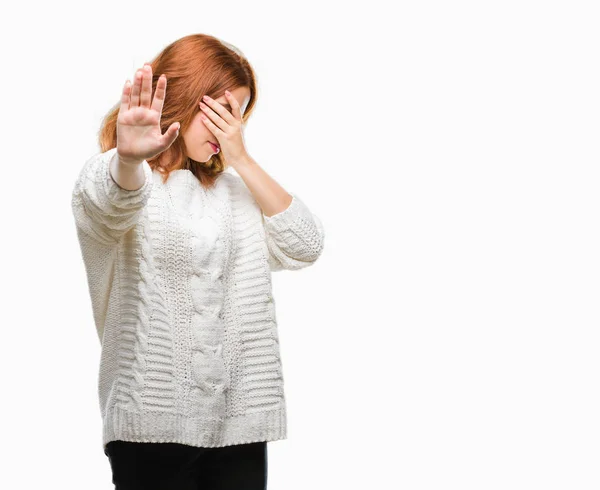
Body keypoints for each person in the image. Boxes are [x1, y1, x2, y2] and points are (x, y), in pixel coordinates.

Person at [70, 33, 325, 490]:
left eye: (240, 115)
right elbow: (106, 204)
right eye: (225, 111)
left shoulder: (235, 193)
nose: (232, 127)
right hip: (150, 428)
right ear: (189, 99)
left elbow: (305, 244)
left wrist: (241, 158)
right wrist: (128, 159)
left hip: (239, 432)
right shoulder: (123, 178)